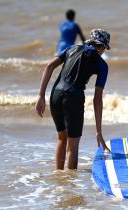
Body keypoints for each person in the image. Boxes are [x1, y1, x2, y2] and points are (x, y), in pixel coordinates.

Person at [35, 29, 111, 170]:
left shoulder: (72, 48)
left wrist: (40, 96)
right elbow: (97, 99)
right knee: (73, 145)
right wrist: (98, 131)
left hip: (55, 94)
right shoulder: (102, 65)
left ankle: (59, 177)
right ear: (101, 47)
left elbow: (49, 66)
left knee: (61, 138)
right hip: (74, 97)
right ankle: (70, 186)